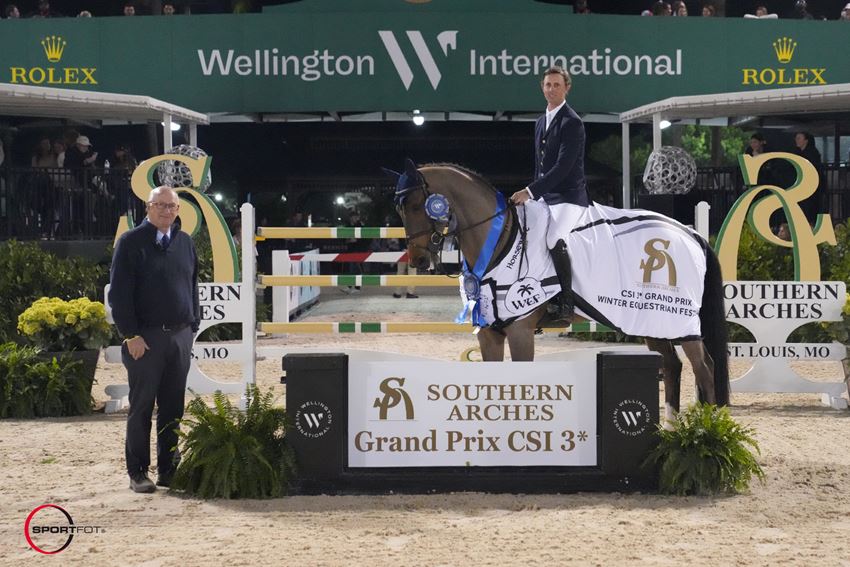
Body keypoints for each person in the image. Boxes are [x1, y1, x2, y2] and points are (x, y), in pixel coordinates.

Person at [109, 186, 199, 493]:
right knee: (142, 406)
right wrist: (130, 334)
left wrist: (192, 328)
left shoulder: (185, 242)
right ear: (148, 207)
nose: (166, 211)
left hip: (179, 337)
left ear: (177, 210)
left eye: (171, 206)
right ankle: (137, 472)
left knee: (174, 407)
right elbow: (119, 294)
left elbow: (193, 285)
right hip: (144, 339)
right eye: (159, 205)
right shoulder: (130, 243)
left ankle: (168, 469)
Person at [510, 66, 589, 322]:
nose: (551, 89)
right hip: (546, 195)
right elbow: (540, 165)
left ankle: (566, 302)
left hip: (569, 197)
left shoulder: (572, 122)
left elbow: (562, 168)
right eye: (548, 85)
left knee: (554, 237)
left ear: (567, 87)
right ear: (542, 88)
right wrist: (533, 196)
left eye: (557, 85)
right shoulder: (541, 121)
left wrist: (530, 191)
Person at [794, 131, 823, 224]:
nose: (796, 140)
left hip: (811, 185)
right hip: (803, 184)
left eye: (799, 138)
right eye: (796, 138)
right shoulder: (799, 152)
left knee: (810, 207)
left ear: (806, 141)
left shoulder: (812, 153)